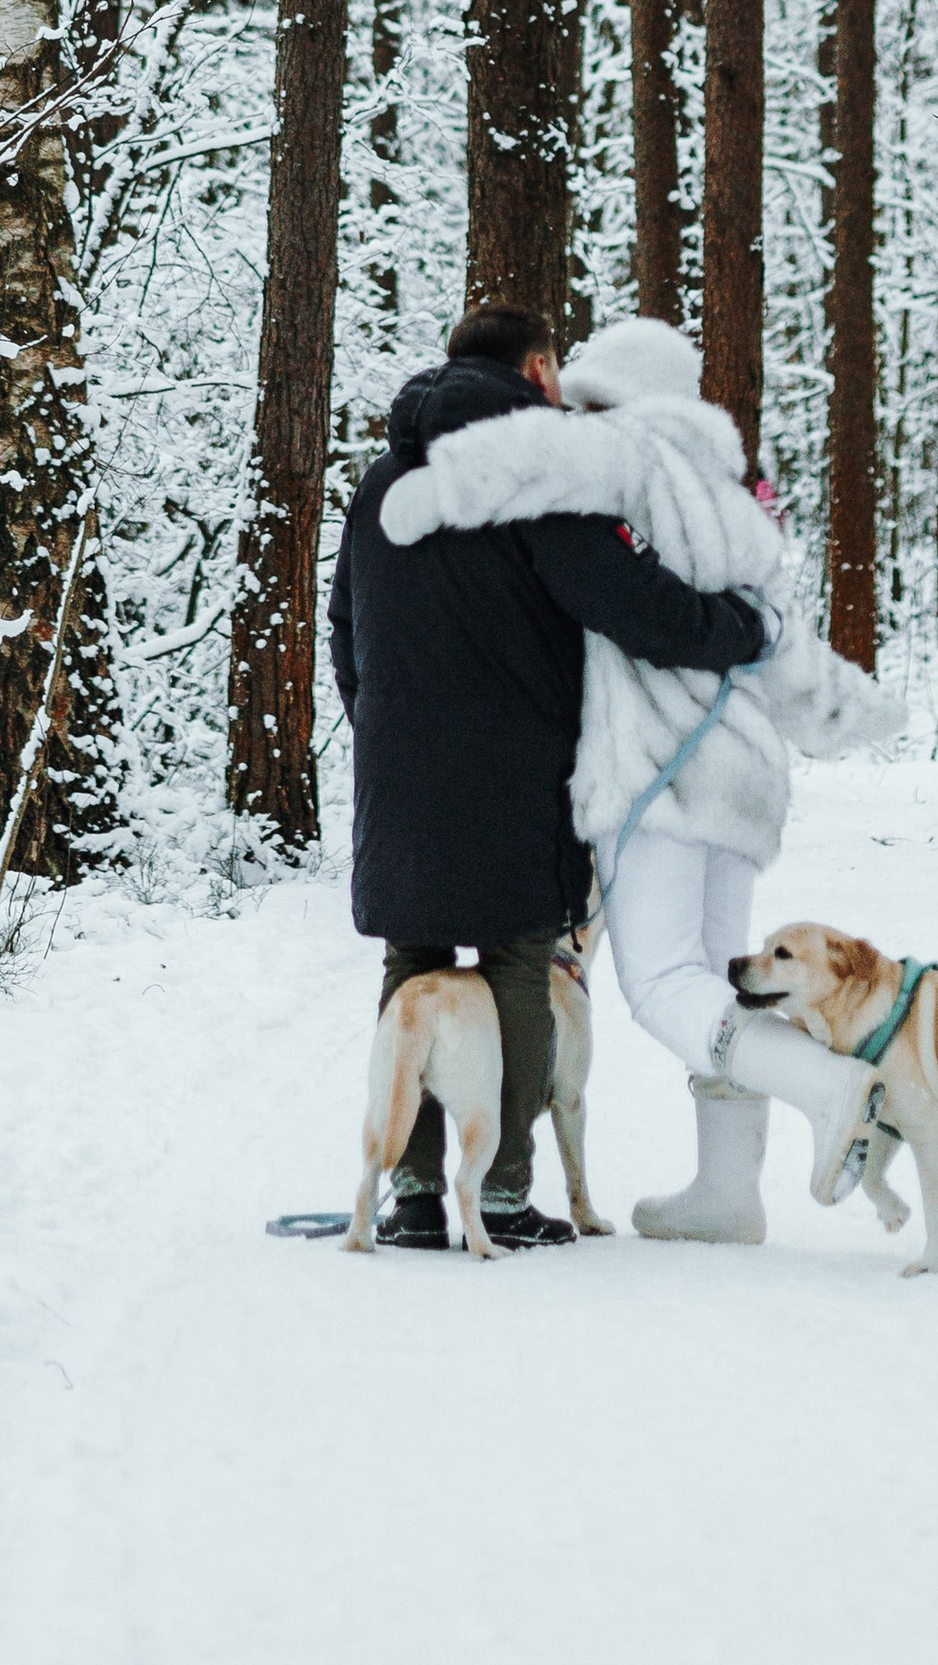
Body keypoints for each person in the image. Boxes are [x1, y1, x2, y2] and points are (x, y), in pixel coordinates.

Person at [378, 314, 900, 1243]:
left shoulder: (610, 459)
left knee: (663, 983)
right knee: (728, 980)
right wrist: (858, 712)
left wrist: (423, 501)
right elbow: (782, 644)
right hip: (742, 778)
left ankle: (828, 1086)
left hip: (657, 775)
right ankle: (728, 1191)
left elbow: (521, 475)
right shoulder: (735, 498)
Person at [328, 302, 772, 1250]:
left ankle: (412, 1195)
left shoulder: (378, 484)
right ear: (536, 369)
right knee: (519, 964)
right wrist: (741, 626)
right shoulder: (538, 475)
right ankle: (501, 1195)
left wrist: (383, 725)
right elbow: (633, 606)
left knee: (411, 966)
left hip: (397, 775)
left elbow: (345, 633)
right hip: (513, 771)